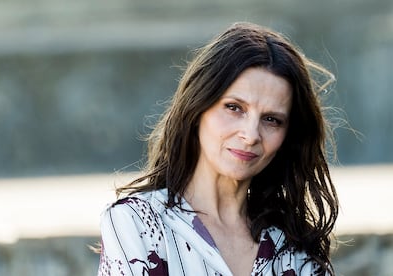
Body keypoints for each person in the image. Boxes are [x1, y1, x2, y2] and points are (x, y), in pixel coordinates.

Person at [97, 22, 339, 276]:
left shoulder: (295, 249)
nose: (250, 135)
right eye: (234, 107)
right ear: (198, 107)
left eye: (271, 119)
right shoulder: (136, 223)